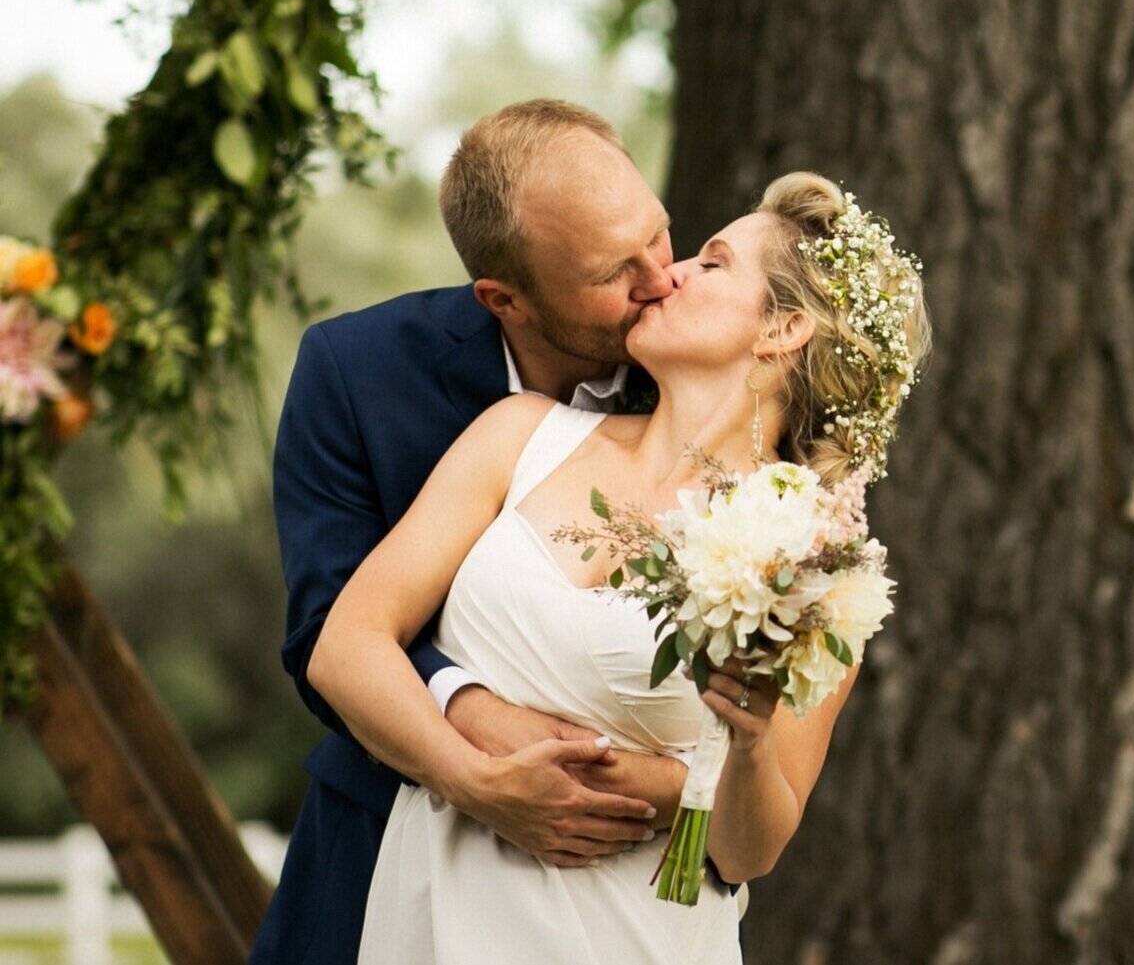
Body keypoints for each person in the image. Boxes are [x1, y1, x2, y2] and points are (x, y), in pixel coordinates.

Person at [310, 171, 931, 963]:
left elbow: (749, 852)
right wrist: (473, 780)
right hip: (434, 913)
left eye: (711, 263)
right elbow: (346, 646)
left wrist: (741, 744)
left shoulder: (815, 558)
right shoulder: (520, 436)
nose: (668, 274)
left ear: (781, 330)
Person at [250, 100, 690, 964]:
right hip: (380, 847)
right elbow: (324, 632)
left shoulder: (692, 364)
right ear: (503, 298)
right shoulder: (355, 373)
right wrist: (480, 744)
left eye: (661, 236)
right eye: (615, 271)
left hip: (627, 884)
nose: (662, 279)